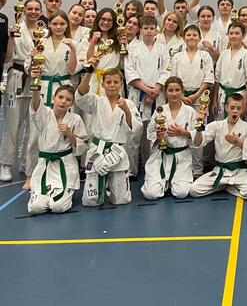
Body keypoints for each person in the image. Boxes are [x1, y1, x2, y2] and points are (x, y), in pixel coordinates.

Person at [76, 66, 142, 206]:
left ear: (121, 84)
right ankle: (102, 187)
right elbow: (81, 95)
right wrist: (89, 73)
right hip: (97, 151)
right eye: (109, 82)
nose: (112, 85)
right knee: (91, 201)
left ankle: (111, 187)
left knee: (121, 200)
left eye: (116, 82)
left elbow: (135, 128)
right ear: (103, 84)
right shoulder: (96, 101)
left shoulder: (128, 104)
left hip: (117, 152)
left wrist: (126, 111)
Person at [0, 0, 43, 183]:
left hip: (36, 80)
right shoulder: (16, 29)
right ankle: (6, 164)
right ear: (23, 10)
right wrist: (11, 37)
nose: (33, 12)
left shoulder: (45, 32)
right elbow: (8, 58)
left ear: (41, 11)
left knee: (33, 126)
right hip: (17, 78)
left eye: (36, 9)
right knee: (12, 124)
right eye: (30, 8)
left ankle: (27, 163)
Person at [27, 83, 87, 214]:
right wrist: (36, 85)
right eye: (60, 97)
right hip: (45, 166)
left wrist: (70, 134)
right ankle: (45, 195)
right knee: (35, 208)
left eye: (68, 99)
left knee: (58, 207)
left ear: (72, 103)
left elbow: (82, 146)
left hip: (65, 165)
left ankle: (65, 193)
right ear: (53, 98)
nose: (63, 101)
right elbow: (36, 106)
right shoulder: (45, 114)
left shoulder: (75, 119)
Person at [189, 93, 247, 200]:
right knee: (194, 190)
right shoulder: (216, 126)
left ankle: (228, 187)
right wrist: (199, 128)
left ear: (242, 109)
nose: (235, 111)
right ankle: (223, 185)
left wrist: (238, 143)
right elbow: (198, 143)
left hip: (239, 171)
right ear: (226, 107)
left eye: (238, 108)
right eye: (232, 107)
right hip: (220, 171)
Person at [165, 24, 215, 177]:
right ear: (184, 38)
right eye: (188, 35)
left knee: (198, 132)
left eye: (194, 35)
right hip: (180, 97)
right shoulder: (177, 57)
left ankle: (197, 169)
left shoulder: (205, 56)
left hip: (200, 98)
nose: (191, 37)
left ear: (199, 38)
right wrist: (181, 96)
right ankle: (183, 166)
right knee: (182, 130)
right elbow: (173, 80)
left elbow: (208, 78)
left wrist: (196, 95)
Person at [124, 16, 170, 179]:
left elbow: (167, 70)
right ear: (140, 30)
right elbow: (130, 72)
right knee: (134, 133)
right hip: (138, 94)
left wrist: (155, 90)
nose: (149, 31)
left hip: (158, 95)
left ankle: (153, 168)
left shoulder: (162, 49)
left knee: (155, 132)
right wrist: (147, 90)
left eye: (152, 28)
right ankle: (131, 170)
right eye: (146, 28)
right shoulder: (132, 49)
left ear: (156, 30)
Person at [141, 77, 197, 200]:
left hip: (181, 157)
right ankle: (164, 183)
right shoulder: (160, 111)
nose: (174, 93)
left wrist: (184, 133)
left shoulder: (190, 112)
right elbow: (150, 133)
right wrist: (158, 137)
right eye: (170, 90)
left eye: (177, 90)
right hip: (162, 155)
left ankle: (171, 182)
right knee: (151, 194)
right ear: (165, 92)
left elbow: (198, 137)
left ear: (182, 91)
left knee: (181, 193)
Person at [213, 21, 247, 119]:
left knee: (237, 124)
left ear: (243, 35)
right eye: (231, 33)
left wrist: (245, 100)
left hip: (239, 95)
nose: (233, 36)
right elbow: (217, 79)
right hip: (222, 94)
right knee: (221, 124)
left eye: (237, 33)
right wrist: (215, 100)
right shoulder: (223, 54)